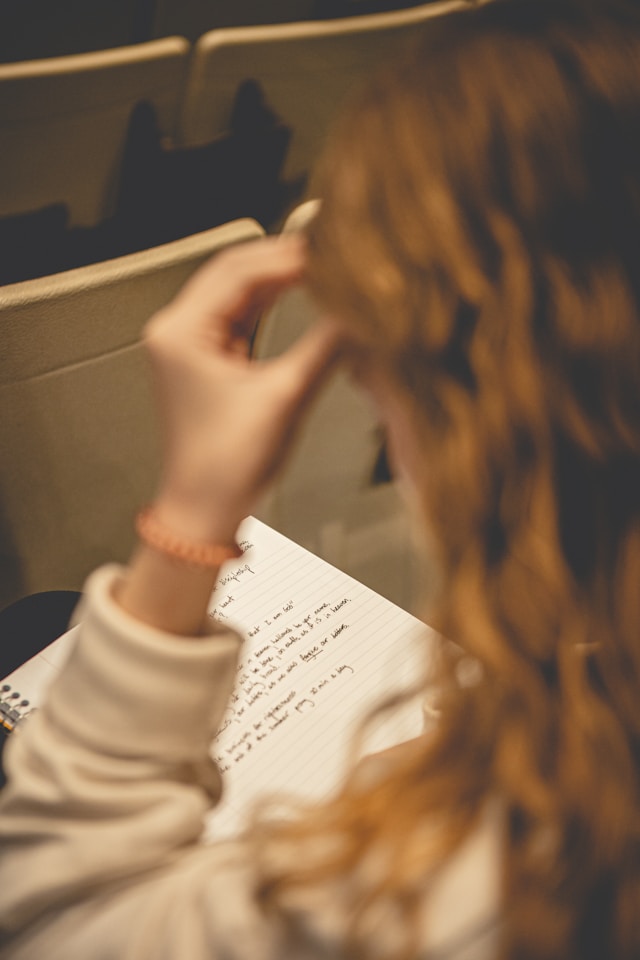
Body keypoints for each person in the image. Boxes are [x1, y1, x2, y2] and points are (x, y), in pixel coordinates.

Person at [2, 0, 640, 956]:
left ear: (482, 420)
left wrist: (192, 511)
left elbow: (55, 919)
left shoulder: (472, 881)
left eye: (380, 393)